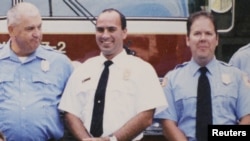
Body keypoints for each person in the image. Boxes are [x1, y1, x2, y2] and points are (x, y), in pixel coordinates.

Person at [58, 8, 167, 141]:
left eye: (111, 29)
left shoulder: (143, 70)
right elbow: (70, 112)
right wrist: (85, 139)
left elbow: (146, 117)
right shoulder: (82, 70)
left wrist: (112, 140)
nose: (105, 35)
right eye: (100, 30)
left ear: (124, 33)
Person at [155, 11, 250, 141]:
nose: (203, 38)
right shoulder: (172, 80)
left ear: (216, 39)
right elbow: (168, 124)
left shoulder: (237, 77)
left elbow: (247, 118)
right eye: (197, 33)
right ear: (188, 40)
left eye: (208, 33)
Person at [0, 2, 73, 141]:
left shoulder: (60, 63)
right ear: (11, 30)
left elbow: (77, 108)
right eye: (30, 29)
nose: (37, 34)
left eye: (39, 27)